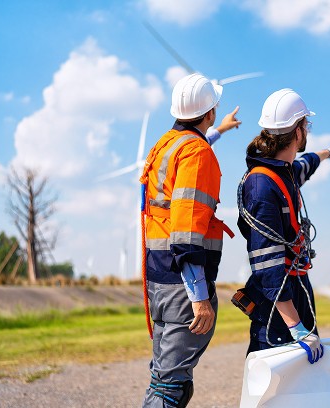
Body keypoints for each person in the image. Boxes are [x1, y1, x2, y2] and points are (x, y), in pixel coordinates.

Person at [140, 73, 235, 407]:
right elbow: (186, 230)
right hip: (183, 285)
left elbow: (194, 149)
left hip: (159, 278)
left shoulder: (167, 144)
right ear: (208, 113)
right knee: (171, 388)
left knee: (164, 379)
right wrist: (199, 297)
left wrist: (220, 130)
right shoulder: (197, 153)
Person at [236, 88, 330, 364]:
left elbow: (303, 166)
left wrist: (325, 154)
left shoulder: (283, 171)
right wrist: (296, 327)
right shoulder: (262, 185)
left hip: (295, 293)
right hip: (278, 308)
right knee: (275, 389)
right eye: (306, 125)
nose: (307, 130)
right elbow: (268, 266)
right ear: (297, 132)